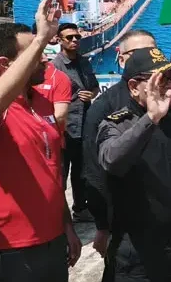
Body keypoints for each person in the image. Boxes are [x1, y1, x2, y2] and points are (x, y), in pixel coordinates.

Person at [0, 0, 82, 282]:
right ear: (5, 64)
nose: (45, 58)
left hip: (52, 238)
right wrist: (41, 38)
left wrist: (66, 224)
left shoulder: (41, 101)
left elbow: (51, 170)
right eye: (34, 53)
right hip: (10, 246)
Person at [97, 47, 171, 282]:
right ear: (134, 87)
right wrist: (151, 119)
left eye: (170, 78)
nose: (169, 85)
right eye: (159, 79)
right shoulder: (117, 124)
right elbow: (112, 161)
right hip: (138, 251)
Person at [82, 30, 157, 257]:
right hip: (127, 225)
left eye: (152, 52)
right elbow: (94, 170)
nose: (148, 58)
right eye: (138, 53)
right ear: (122, 59)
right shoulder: (105, 107)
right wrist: (103, 225)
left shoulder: (168, 102)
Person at [52, 22, 100, 222]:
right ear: (59, 40)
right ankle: (57, 213)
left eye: (77, 37)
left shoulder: (84, 62)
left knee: (82, 172)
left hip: (84, 124)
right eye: (69, 38)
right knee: (61, 173)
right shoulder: (55, 66)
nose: (74, 41)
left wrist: (92, 94)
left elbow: (95, 87)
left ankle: (80, 208)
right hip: (65, 126)